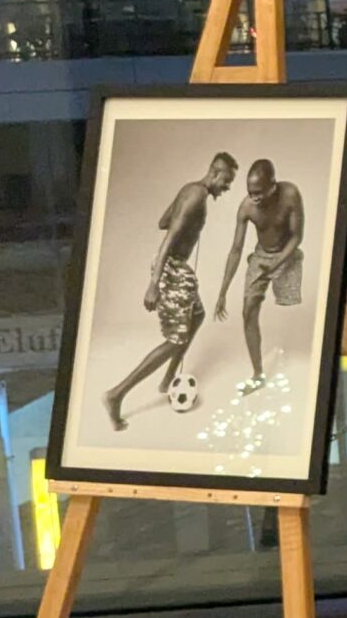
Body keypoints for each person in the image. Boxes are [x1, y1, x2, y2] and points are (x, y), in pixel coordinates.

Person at [103, 151, 235, 430]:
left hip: (176, 268)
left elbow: (163, 222)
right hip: (171, 269)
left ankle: (168, 376)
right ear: (216, 172)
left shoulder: (190, 189)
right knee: (175, 340)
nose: (227, 187)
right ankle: (117, 394)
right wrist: (154, 283)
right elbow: (170, 237)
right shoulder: (197, 196)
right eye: (227, 180)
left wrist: (185, 222)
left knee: (196, 315)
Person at [214, 157, 305, 394]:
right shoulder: (246, 207)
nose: (254, 197)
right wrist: (222, 292)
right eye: (250, 192)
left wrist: (278, 262)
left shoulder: (290, 194)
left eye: (259, 193)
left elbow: (296, 236)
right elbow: (236, 250)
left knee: (292, 304)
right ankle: (257, 374)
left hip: (287, 256)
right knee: (248, 312)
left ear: (273, 186)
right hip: (262, 258)